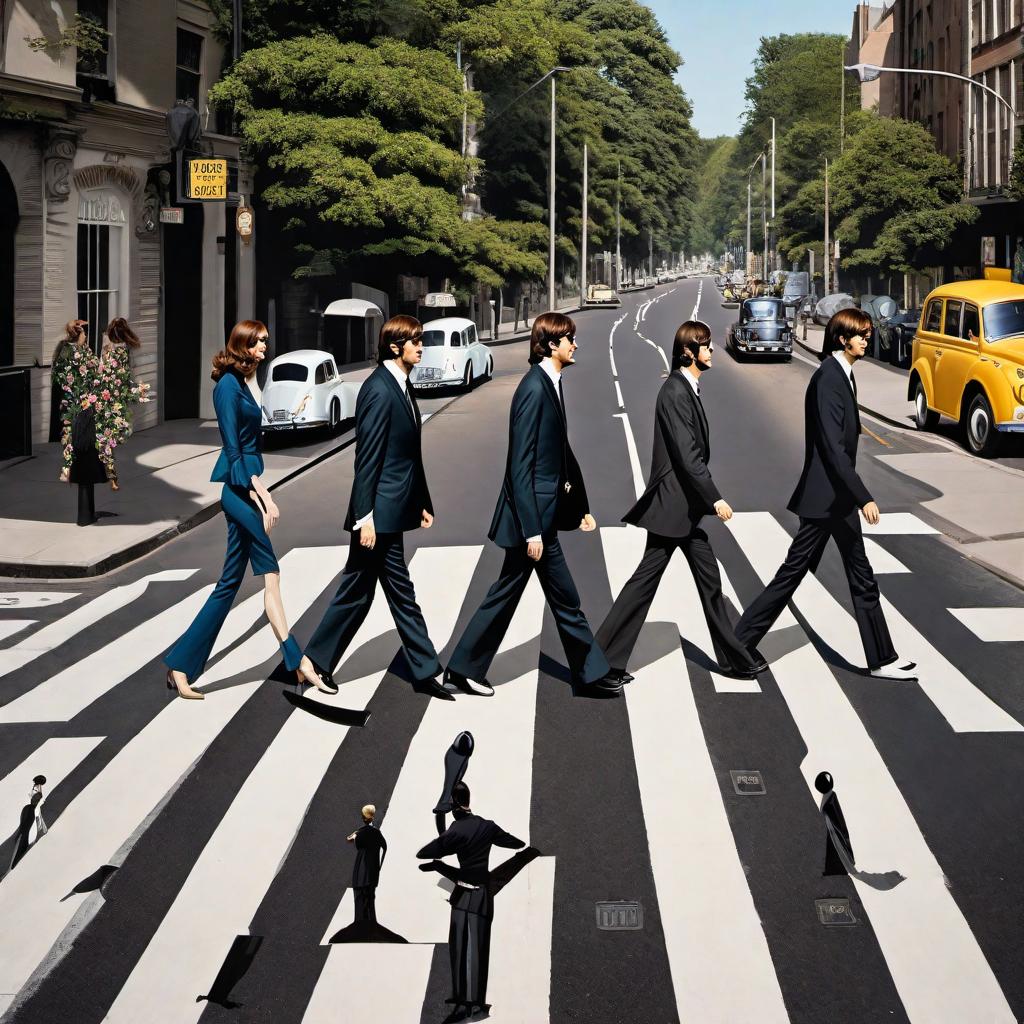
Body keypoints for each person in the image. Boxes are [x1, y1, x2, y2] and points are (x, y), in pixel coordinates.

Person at [734, 308, 917, 682]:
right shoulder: (829, 379)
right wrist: (863, 495)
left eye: (867, 333)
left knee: (860, 575)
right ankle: (737, 645)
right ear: (841, 339)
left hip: (837, 500)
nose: (867, 339)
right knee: (792, 575)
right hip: (825, 500)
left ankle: (882, 658)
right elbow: (833, 449)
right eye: (860, 334)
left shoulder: (842, 376)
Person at [443, 312, 615, 698]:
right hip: (532, 520)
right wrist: (532, 529)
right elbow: (519, 465)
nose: (575, 344)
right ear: (551, 345)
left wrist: (579, 506)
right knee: (551, 597)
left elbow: (560, 456)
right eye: (569, 338)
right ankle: (589, 673)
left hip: (544, 513)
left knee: (534, 594)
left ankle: (589, 672)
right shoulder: (533, 389)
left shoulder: (550, 383)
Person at [594, 321, 766, 687]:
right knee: (644, 586)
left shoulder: (687, 388)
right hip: (674, 508)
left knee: (708, 582)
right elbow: (688, 456)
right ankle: (600, 664)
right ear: (688, 351)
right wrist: (715, 498)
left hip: (682, 510)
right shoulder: (674, 392)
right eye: (705, 346)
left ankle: (735, 658)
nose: (712, 350)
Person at [163, 320, 326, 700]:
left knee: (228, 584)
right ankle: (297, 661)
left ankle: (180, 664)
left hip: (246, 490)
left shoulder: (245, 381)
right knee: (271, 574)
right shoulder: (226, 388)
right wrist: (263, 495)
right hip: (239, 494)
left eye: (266, 342)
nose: (265, 348)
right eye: (259, 343)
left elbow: (256, 436)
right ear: (243, 344)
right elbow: (234, 448)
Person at [302, 315, 449, 700]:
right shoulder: (379, 390)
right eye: (415, 340)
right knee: (394, 592)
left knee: (359, 589)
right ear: (395, 347)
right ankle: (425, 669)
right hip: (377, 515)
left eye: (421, 339)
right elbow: (367, 459)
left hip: (392, 507)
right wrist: (364, 516)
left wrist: (420, 502)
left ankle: (314, 661)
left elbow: (406, 455)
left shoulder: (400, 385)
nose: (422, 346)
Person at [417, 781, 525, 1023]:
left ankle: (463, 1005)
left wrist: (444, 832)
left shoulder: (456, 831)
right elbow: (515, 843)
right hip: (482, 896)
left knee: (458, 950)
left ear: (453, 804)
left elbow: (424, 853)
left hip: (462, 895)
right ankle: (474, 1005)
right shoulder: (487, 826)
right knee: (477, 951)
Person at [97, 316, 145, 491]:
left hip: (103, 397)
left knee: (105, 437)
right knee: (115, 435)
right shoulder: (125, 350)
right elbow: (130, 376)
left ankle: (110, 473)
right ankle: (111, 474)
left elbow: (101, 371)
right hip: (117, 400)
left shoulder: (106, 348)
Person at [50, 318, 88, 449]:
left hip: (62, 392)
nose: (86, 336)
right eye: (84, 334)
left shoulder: (63, 346)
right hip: (71, 392)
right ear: (80, 334)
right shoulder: (76, 351)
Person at [347, 804, 387, 924]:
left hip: (361, 866)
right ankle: (370, 920)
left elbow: (356, 844)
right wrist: (379, 865)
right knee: (370, 895)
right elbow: (384, 847)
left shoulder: (359, 833)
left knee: (359, 894)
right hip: (373, 867)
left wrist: (355, 836)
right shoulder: (377, 832)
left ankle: (360, 920)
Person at [7, 775, 48, 873]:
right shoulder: (37, 792)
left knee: (23, 834)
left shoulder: (36, 790)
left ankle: (14, 862)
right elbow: (37, 801)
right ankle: (13, 863)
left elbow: (36, 797)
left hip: (28, 811)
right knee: (24, 835)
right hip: (31, 812)